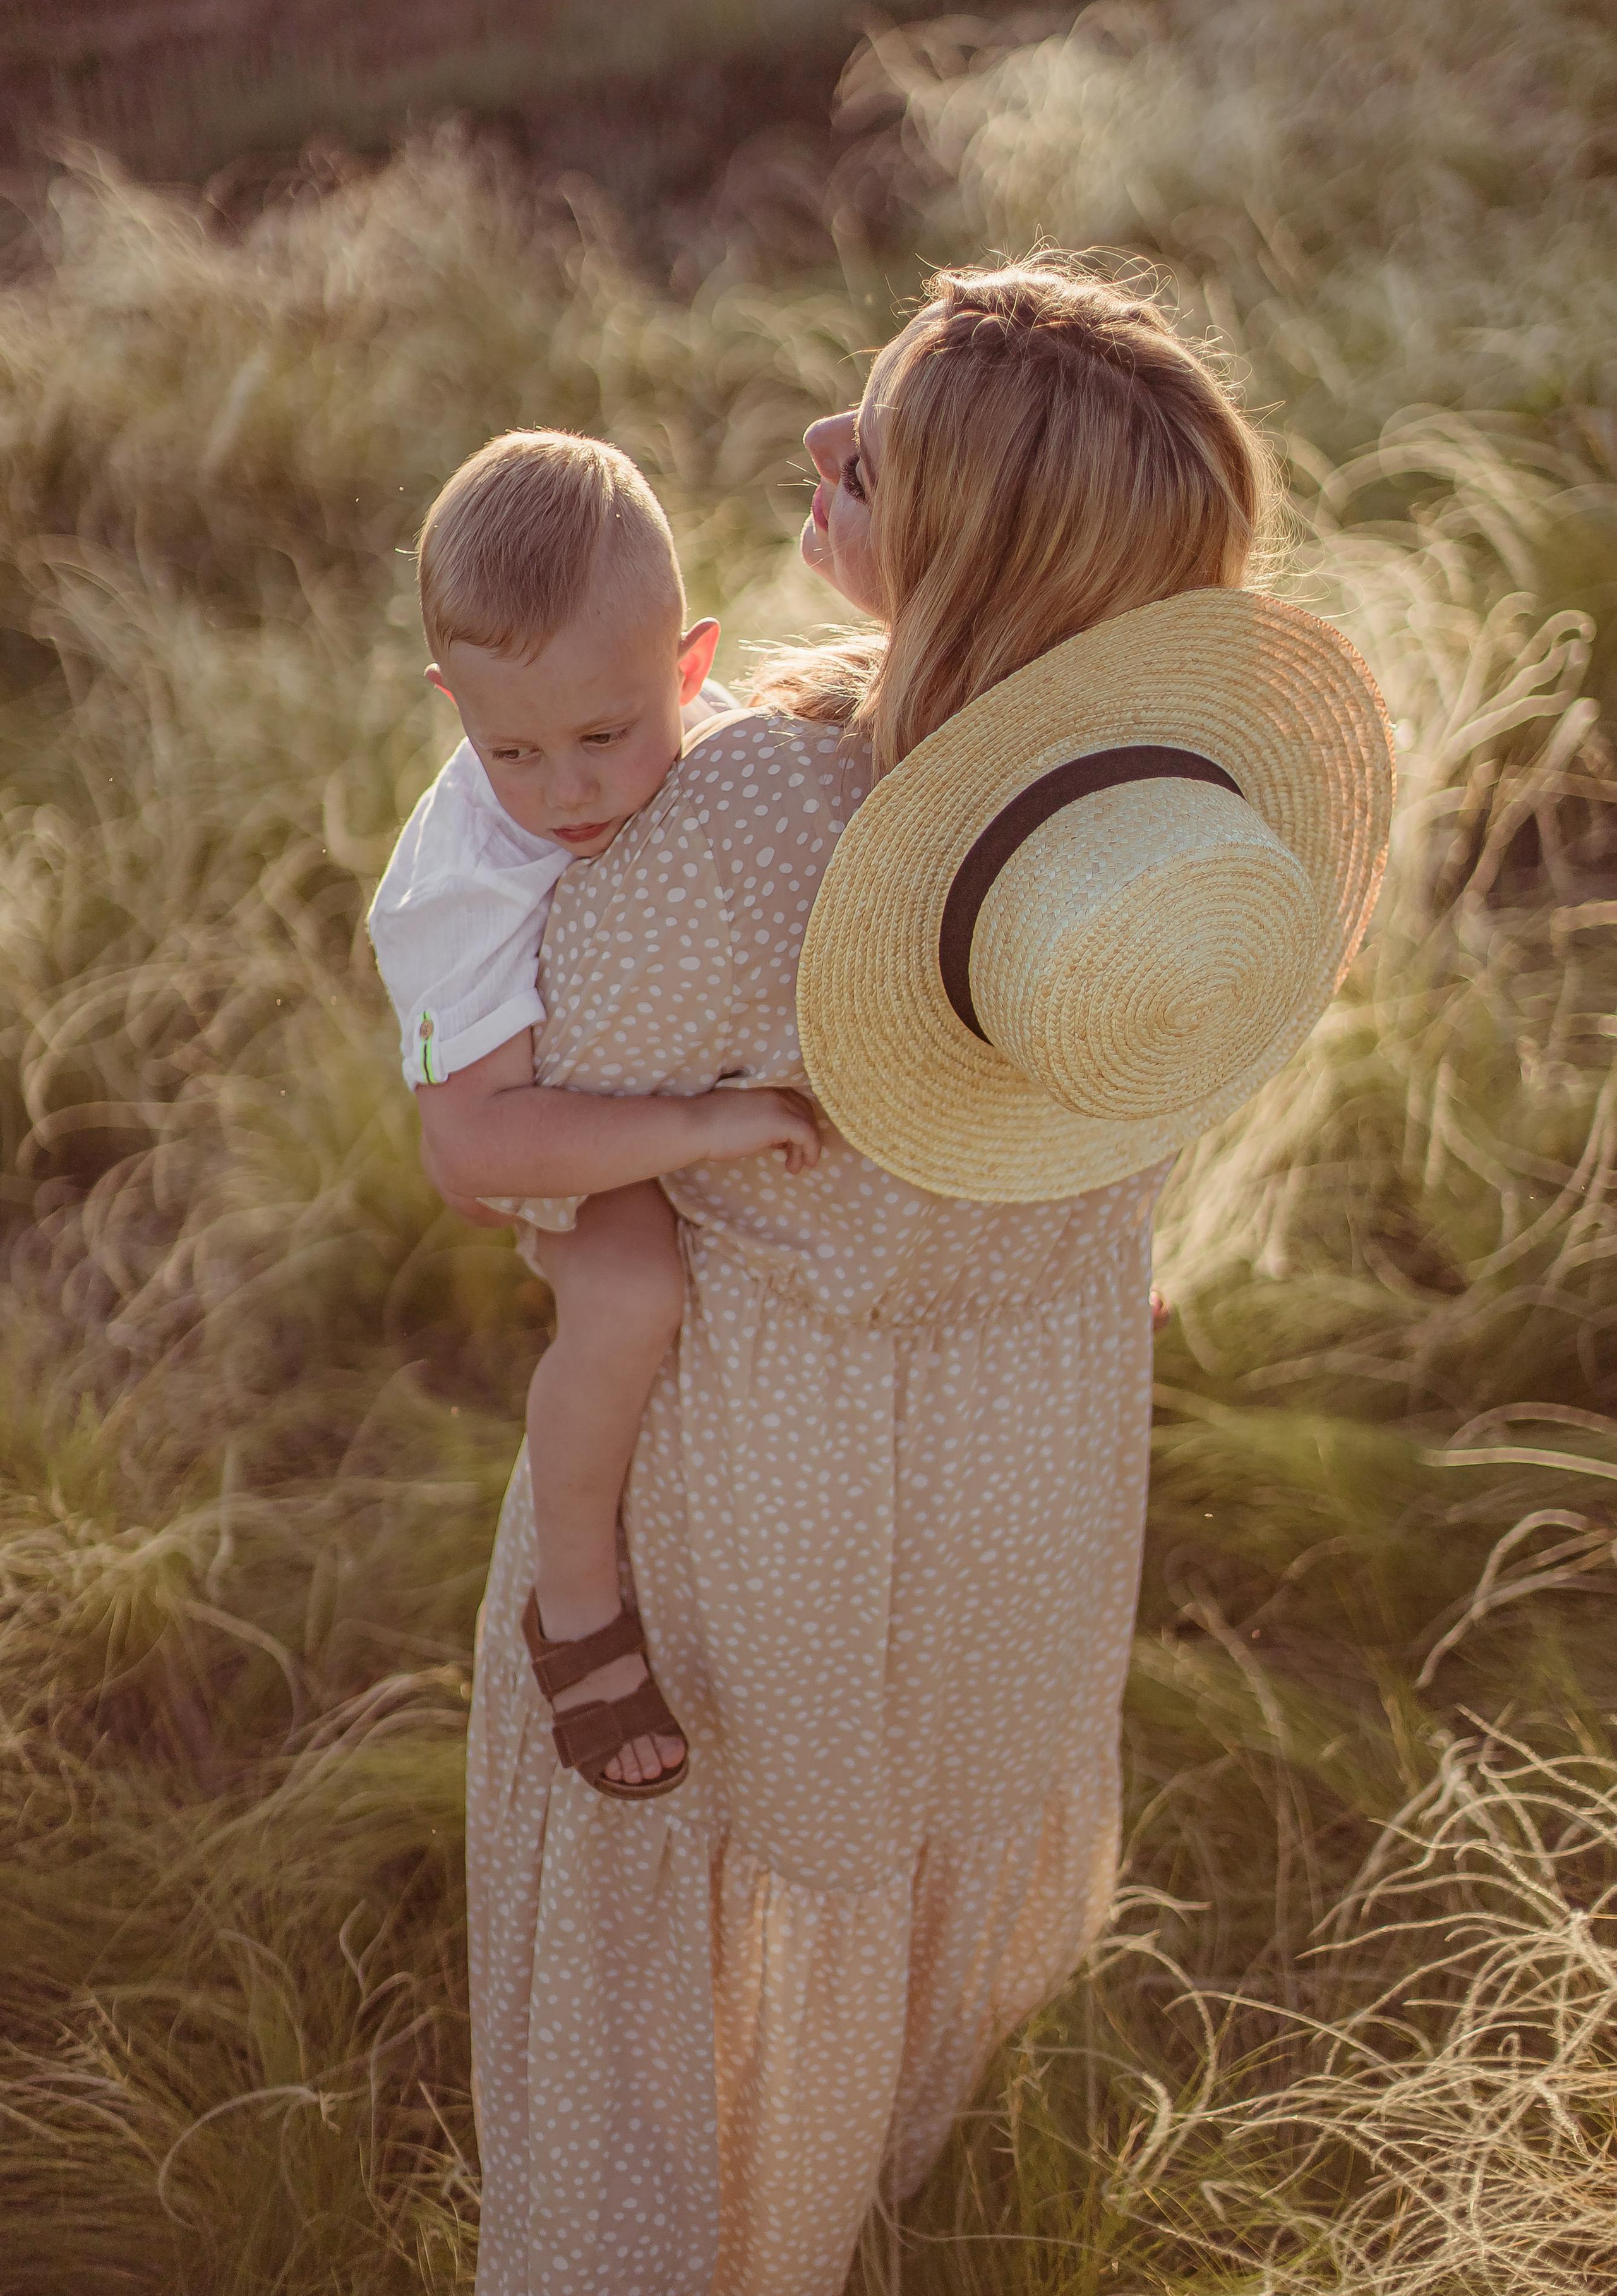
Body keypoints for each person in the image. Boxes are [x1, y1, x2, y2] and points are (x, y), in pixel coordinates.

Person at [443, 263, 1393, 2294]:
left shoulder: (762, 818)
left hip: (783, 1455)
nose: (813, 448)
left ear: (959, 549)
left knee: (724, 1873)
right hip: (1034, 1438)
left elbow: (529, 1111)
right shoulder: (1174, 817)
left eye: (865, 450)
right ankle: (899, 2188)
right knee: (954, 1815)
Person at [369, 432, 821, 1801]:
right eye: (511, 748)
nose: (565, 790)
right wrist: (702, 1127)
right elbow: (474, 1152)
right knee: (629, 1289)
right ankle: (573, 1595)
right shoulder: (466, 877)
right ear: (455, 707)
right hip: (569, 1127)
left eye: (604, 736)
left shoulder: (727, 751)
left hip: (699, 1057)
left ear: (688, 670)